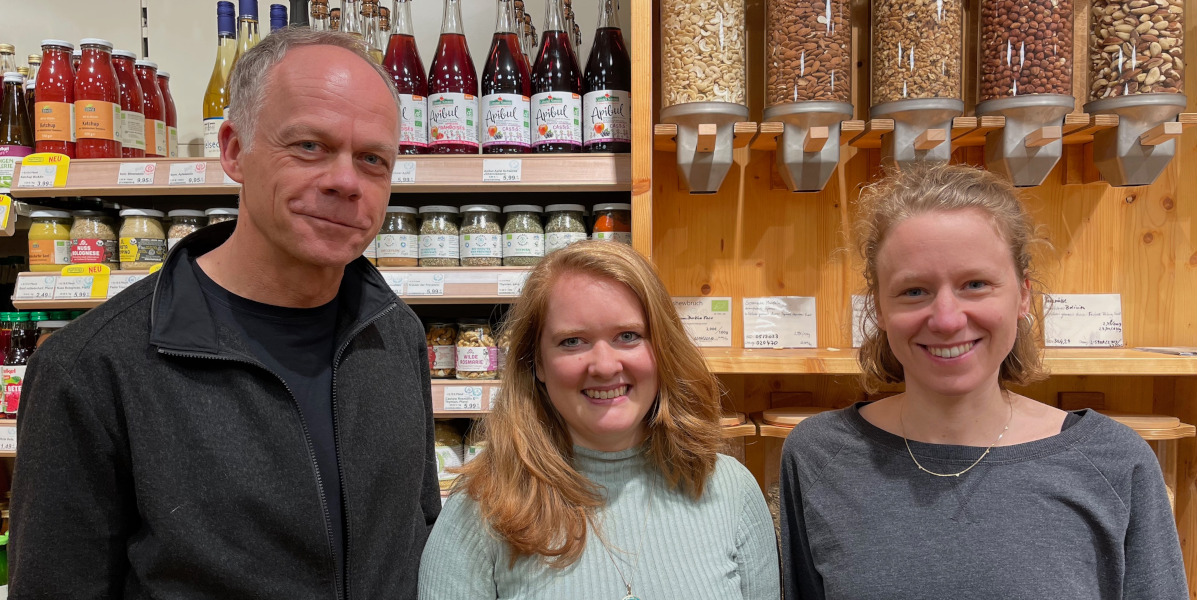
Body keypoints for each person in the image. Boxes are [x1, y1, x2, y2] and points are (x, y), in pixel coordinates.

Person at [10, 29, 440, 598]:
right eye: (309, 146)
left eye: (373, 160)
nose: (345, 181)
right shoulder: (92, 369)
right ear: (235, 150)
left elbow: (420, 537)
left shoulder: (395, 335)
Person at [779, 164, 1188, 599]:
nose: (947, 318)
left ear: (1023, 295)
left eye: (975, 284)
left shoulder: (1115, 464)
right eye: (914, 291)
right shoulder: (817, 457)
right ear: (879, 308)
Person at [418, 241, 779, 599]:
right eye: (572, 341)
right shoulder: (480, 510)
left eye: (628, 336)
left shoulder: (733, 491)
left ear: (663, 348)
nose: (605, 366)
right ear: (537, 363)